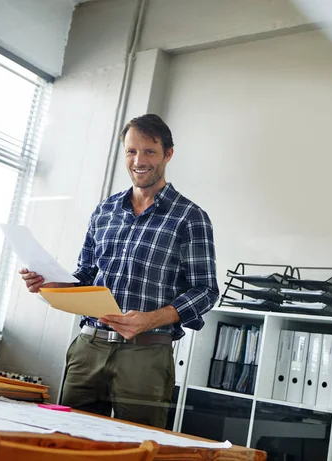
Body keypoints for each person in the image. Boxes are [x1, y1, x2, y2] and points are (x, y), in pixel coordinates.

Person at [20, 113, 218, 429]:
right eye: (131, 151)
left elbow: (206, 291)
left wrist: (151, 319)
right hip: (89, 347)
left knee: (136, 446)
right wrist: (50, 284)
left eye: (149, 151)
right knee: (68, 441)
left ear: (168, 154)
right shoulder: (104, 211)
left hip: (147, 354)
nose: (139, 160)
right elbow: (85, 275)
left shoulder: (190, 217)